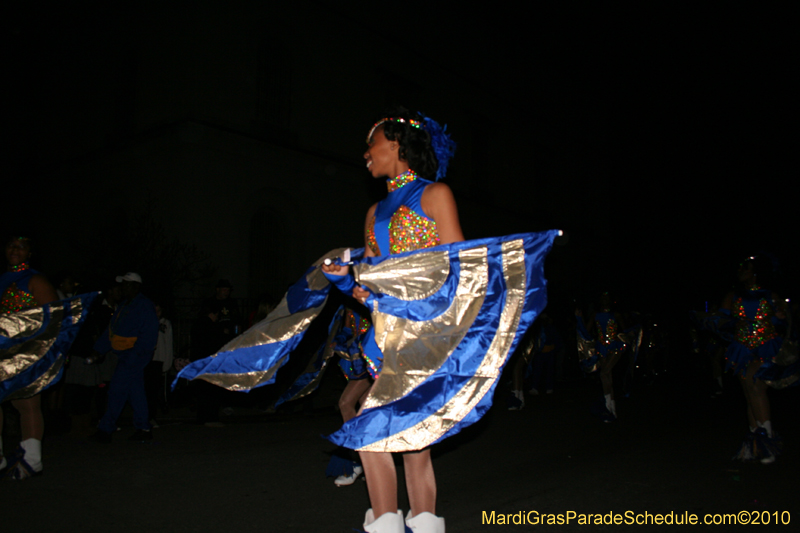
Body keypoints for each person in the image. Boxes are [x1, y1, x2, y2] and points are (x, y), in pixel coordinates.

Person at [322, 109, 463, 532]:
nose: (366, 152)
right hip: (382, 336)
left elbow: (461, 272)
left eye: (373, 142)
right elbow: (370, 281)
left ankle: (385, 522)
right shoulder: (373, 212)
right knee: (412, 444)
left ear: (398, 146)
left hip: (422, 334)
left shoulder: (435, 194)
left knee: (369, 427)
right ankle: (418, 522)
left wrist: (411, 300)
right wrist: (348, 282)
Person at [0, 237, 58, 478]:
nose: (15, 249)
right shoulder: (3, 278)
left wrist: (38, 353)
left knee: (27, 404)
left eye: (21, 246)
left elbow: (54, 319)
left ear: (29, 253)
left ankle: (33, 460)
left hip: (24, 353)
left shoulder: (36, 280)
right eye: (11, 245)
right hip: (1, 351)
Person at [722, 256, 788, 464]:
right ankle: (755, 444)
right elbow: (722, 320)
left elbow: (780, 319)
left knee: (756, 385)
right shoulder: (732, 295)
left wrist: (781, 314)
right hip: (742, 348)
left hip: (765, 346)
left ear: (754, 272)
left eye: (746, 269)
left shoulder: (769, 295)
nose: (741, 272)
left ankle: (767, 440)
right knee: (748, 391)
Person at [89, 272, 159, 443]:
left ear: (136, 286)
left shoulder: (143, 305)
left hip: (133, 355)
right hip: (128, 354)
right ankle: (143, 428)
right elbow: (112, 331)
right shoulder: (125, 306)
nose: (122, 287)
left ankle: (106, 428)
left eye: (126, 284)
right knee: (135, 392)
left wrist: (137, 355)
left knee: (116, 390)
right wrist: (99, 349)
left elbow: (149, 335)